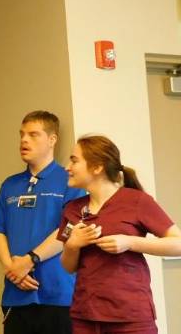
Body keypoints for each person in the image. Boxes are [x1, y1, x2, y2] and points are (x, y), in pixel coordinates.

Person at [58, 135, 181, 334]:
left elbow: (178, 244)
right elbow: (68, 266)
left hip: (131, 318)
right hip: (85, 317)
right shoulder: (72, 210)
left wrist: (129, 242)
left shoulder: (137, 201)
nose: (67, 167)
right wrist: (73, 245)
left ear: (97, 167)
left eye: (74, 160)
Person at [0, 111, 86, 334]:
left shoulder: (70, 181)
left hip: (59, 295)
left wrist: (29, 260)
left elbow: (68, 230)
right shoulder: (9, 185)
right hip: (17, 295)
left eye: (33, 135)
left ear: (52, 140)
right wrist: (13, 269)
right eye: (22, 135)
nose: (24, 140)